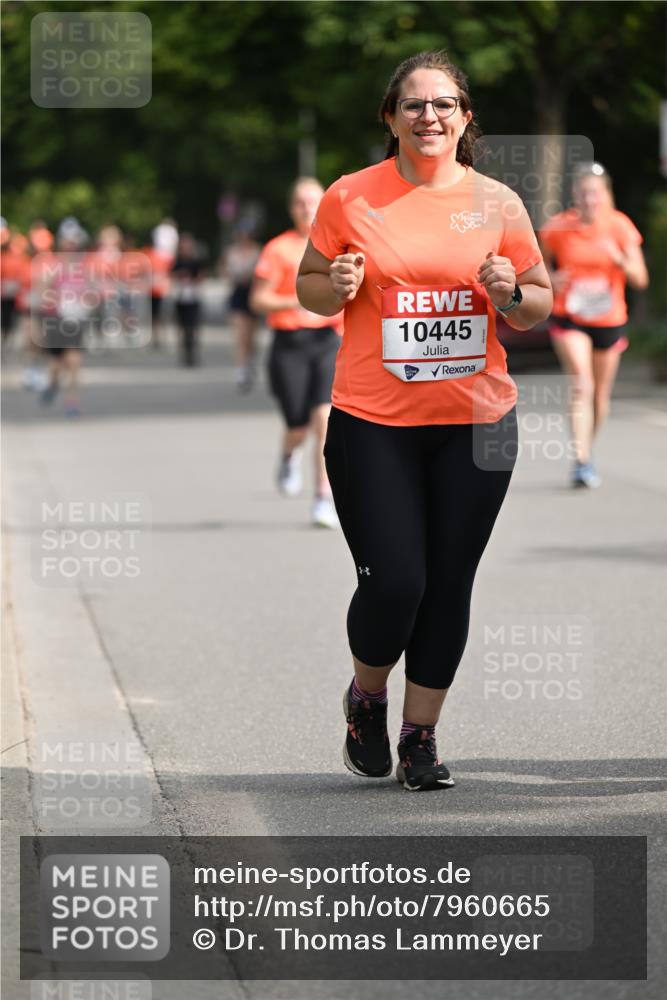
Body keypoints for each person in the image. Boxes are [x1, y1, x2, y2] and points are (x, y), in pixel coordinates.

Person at [296, 51, 552, 790]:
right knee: (396, 582)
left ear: (465, 117)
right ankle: (366, 699)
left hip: (477, 423)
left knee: (448, 584)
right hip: (374, 420)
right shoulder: (350, 196)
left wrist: (510, 292)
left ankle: (420, 739)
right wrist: (335, 283)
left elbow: (536, 300)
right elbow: (309, 287)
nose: (428, 116)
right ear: (390, 117)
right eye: (413, 105)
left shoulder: (497, 202)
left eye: (443, 104)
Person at [539, 162, 649, 488]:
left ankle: (587, 448)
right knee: (581, 384)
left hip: (609, 317)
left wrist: (619, 259)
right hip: (570, 316)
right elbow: (537, 263)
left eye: (596, 193)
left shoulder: (620, 227)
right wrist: (550, 277)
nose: (590, 200)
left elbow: (640, 279)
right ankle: (582, 459)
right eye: (584, 193)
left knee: (600, 396)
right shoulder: (558, 227)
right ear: (575, 194)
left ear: (606, 194)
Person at [251, 178, 343, 529]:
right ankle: (289, 452)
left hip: (328, 340)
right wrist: (298, 299)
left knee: (325, 420)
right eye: (301, 203)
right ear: (293, 209)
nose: (308, 209)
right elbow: (258, 300)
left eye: (314, 202)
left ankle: (323, 498)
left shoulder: (338, 246)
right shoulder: (278, 249)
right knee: (298, 425)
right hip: (288, 343)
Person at [220, 220, 261, 391]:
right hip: (237, 294)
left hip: (252, 294)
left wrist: (251, 277)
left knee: (250, 336)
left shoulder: (258, 251)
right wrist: (231, 277)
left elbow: (264, 272)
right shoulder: (231, 252)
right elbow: (223, 270)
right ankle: (240, 369)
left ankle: (249, 360)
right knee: (240, 334)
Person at [171, 233, 206, 367]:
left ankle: (192, 353)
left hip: (193, 296)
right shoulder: (177, 261)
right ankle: (184, 353)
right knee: (182, 326)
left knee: (193, 326)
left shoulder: (195, 261)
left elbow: (201, 275)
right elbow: (171, 274)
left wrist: (193, 280)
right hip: (180, 297)